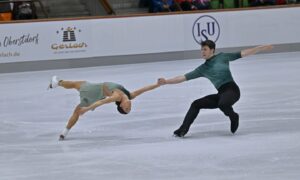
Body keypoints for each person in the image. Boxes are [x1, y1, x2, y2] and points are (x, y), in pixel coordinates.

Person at [158, 40, 273, 137]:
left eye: (205, 49)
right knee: (196, 104)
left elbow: (243, 53)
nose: (202, 52)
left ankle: (234, 117)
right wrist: (166, 81)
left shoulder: (222, 57)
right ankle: (183, 130)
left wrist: (261, 48)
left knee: (223, 104)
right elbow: (183, 77)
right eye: (201, 49)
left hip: (232, 90)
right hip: (221, 94)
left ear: (212, 50)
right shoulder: (202, 68)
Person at [48, 76, 160, 140]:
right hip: (97, 92)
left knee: (78, 86)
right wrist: (158, 84)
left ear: (121, 105)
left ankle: (58, 83)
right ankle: (64, 132)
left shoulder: (117, 96)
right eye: (129, 109)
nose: (129, 108)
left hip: (93, 90)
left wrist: (86, 109)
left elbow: (102, 102)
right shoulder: (129, 95)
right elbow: (145, 89)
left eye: (126, 109)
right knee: (76, 88)